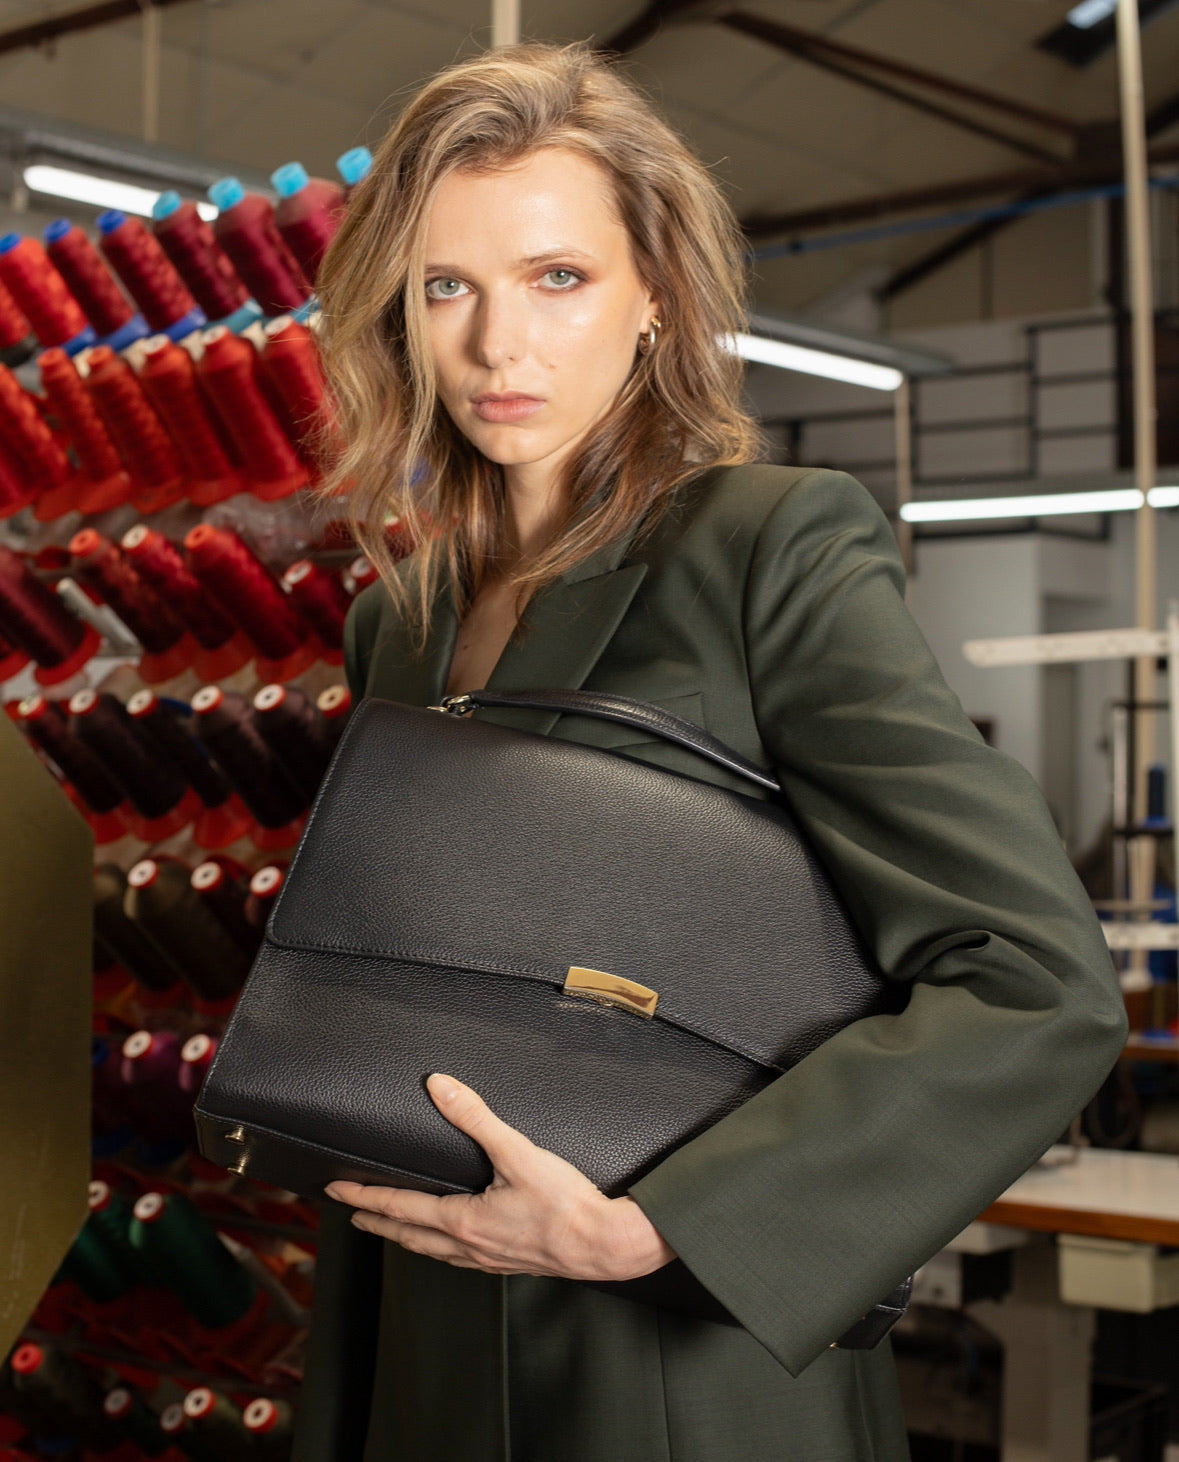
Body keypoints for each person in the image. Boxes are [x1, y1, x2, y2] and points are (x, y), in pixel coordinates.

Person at [292, 40, 1128, 1462]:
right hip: (425, 1325)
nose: (499, 345)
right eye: (447, 287)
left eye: (559, 276)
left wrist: (663, 1228)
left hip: (674, 1361)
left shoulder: (767, 554)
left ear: (654, 301)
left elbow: (1035, 981)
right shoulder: (400, 623)